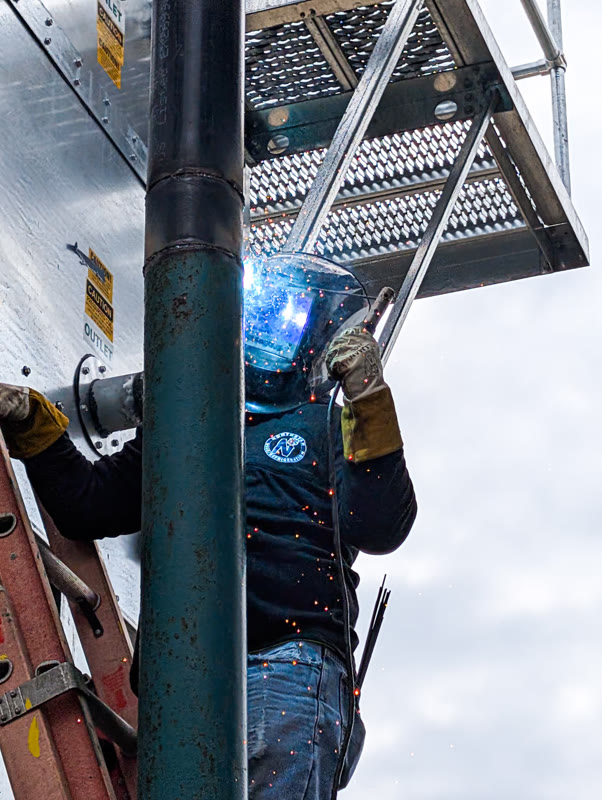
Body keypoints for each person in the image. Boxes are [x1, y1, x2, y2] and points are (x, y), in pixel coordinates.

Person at [0, 253, 417, 798]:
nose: (269, 331)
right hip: (180, 677)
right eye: (259, 317)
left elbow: (380, 525)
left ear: (313, 336)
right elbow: (88, 505)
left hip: (284, 662)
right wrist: (36, 424)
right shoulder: (186, 420)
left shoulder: (324, 424)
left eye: (286, 320)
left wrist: (368, 398)